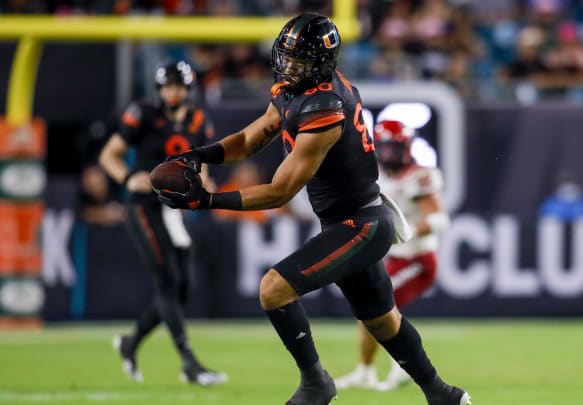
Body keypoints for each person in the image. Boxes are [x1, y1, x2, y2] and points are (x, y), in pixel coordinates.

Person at [156, 13, 471, 405]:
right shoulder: (295, 91)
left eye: (299, 61)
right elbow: (250, 139)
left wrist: (206, 201)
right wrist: (197, 155)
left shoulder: (325, 106)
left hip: (361, 225)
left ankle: (316, 382)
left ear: (321, 63)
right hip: (350, 221)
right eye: (286, 57)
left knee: (273, 289)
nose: (288, 67)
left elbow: (281, 191)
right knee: (382, 321)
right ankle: (443, 395)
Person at [98, 61, 226, 386]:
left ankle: (131, 342)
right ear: (159, 90)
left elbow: (204, 170)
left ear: (188, 89)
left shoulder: (198, 120)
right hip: (144, 206)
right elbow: (109, 155)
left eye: (178, 86)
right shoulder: (144, 113)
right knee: (167, 280)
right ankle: (189, 363)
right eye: (168, 86)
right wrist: (128, 178)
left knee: (183, 288)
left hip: (174, 210)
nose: (173, 92)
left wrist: (199, 190)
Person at [335, 119, 450, 392]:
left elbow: (438, 219)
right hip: (396, 258)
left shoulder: (419, 175)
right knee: (371, 311)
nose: (389, 154)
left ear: (408, 147)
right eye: (385, 147)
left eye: (394, 147)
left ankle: (402, 365)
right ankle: (367, 370)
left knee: (379, 308)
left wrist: (401, 232)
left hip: (418, 259)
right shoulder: (377, 174)